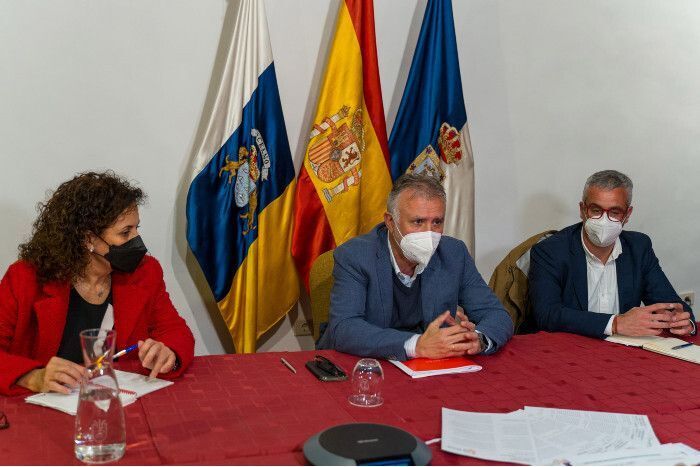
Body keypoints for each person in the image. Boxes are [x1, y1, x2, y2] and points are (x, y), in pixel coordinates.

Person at [0, 171, 195, 396]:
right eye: (125, 232)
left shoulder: (145, 272)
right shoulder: (25, 278)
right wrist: (33, 376)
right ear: (88, 239)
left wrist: (168, 352)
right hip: (46, 406)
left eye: (137, 229)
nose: (137, 240)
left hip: (118, 400)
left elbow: (175, 331)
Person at [317, 174, 513, 360]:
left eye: (437, 222)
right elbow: (344, 329)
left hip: (429, 367)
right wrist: (416, 345)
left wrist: (478, 339)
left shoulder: (454, 253)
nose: (429, 233)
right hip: (365, 363)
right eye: (418, 222)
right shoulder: (355, 256)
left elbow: (496, 314)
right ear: (390, 222)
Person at [529, 170, 695, 338]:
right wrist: (615, 324)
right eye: (596, 210)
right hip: (568, 347)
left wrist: (681, 320)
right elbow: (547, 315)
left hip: (623, 347)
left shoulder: (639, 247)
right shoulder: (549, 251)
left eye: (615, 212)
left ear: (627, 215)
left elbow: (671, 303)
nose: (604, 220)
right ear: (582, 210)